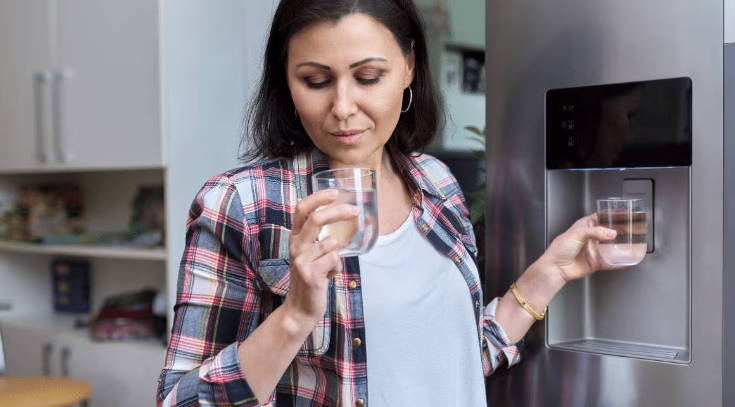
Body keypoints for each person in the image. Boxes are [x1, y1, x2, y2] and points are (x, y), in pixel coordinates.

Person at [156, 1, 622, 406]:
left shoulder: (435, 182)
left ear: (409, 67)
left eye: (368, 76)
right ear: (287, 82)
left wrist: (553, 272)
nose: (342, 106)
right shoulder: (241, 204)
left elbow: (453, 360)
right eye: (316, 81)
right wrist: (294, 316)